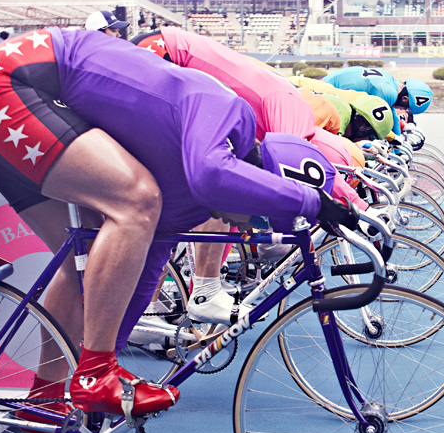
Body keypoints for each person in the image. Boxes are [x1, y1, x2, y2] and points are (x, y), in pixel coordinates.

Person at [0, 28, 356, 420]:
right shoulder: (229, 111)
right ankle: (95, 374)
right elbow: (213, 174)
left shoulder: (189, 191)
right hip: (11, 79)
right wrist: (307, 200)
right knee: (138, 200)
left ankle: (47, 395)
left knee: (89, 258)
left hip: (2, 92)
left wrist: (108, 345)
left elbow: (145, 275)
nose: (246, 226)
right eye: (260, 209)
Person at [130, 29, 369, 324]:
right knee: (218, 186)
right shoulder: (293, 112)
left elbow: (313, 174)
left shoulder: (303, 126)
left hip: (172, 57)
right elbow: (288, 172)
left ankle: (184, 291)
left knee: (218, 187)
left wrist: (351, 203)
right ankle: (198, 291)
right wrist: (349, 206)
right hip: (166, 53)